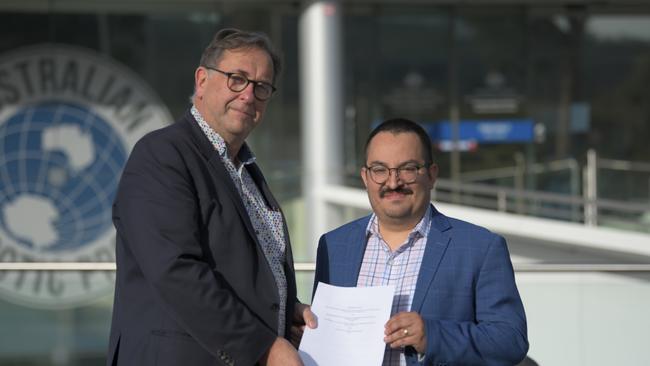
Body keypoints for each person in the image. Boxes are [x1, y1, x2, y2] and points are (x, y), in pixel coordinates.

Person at [107, 28, 314, 366]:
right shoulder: (162, 155)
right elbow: (176, 271)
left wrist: (282, 311)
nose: (249, 95)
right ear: (201, 80)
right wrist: (263, 347)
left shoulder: (247, 172)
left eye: (262, 87)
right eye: (237, 79)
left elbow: (237, 268)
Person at [313, 118, 528, 365]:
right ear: (365, 177)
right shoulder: (334, 246)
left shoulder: (480, 248)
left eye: (408, 169)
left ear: (431, 175)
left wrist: (433, 336)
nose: (393, 183)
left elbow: (511, 341)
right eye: (380, 170)